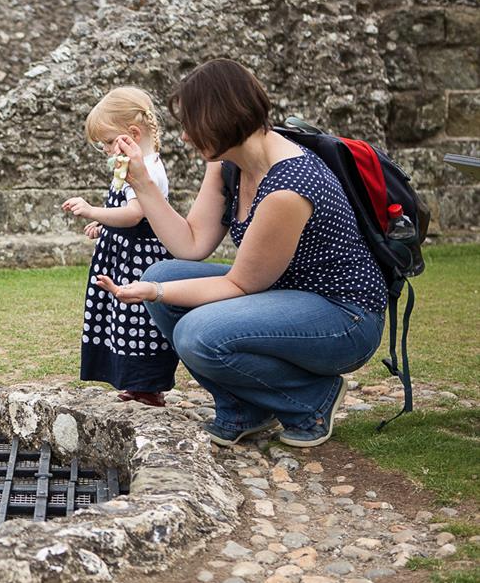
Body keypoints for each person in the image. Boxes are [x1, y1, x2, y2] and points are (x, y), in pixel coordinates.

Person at [94, 59, 386, 448]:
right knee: (161, 273)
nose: (184, 136)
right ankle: (244, 408)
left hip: (344, 317)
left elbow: (240, 284)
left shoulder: (288, 187)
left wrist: (155, 294)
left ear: (217, 117)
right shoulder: (227, 165)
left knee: (197, 332)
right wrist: (143, 184)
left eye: (190, 123)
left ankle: (311, 399)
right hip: (281, 295)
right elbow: (190, 244)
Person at [62, 87, 179, 407]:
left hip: (138, 259)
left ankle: (148, 385)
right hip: (124, 255)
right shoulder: (133, 165)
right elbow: (126, 214)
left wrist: (92, 211)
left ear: (133, 134)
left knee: (138, 323)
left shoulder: (147, 170)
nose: (105, 150)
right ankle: (134, 382)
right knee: (121, 320)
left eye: (108, 142)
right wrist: (105, 225)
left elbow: (135, 214)